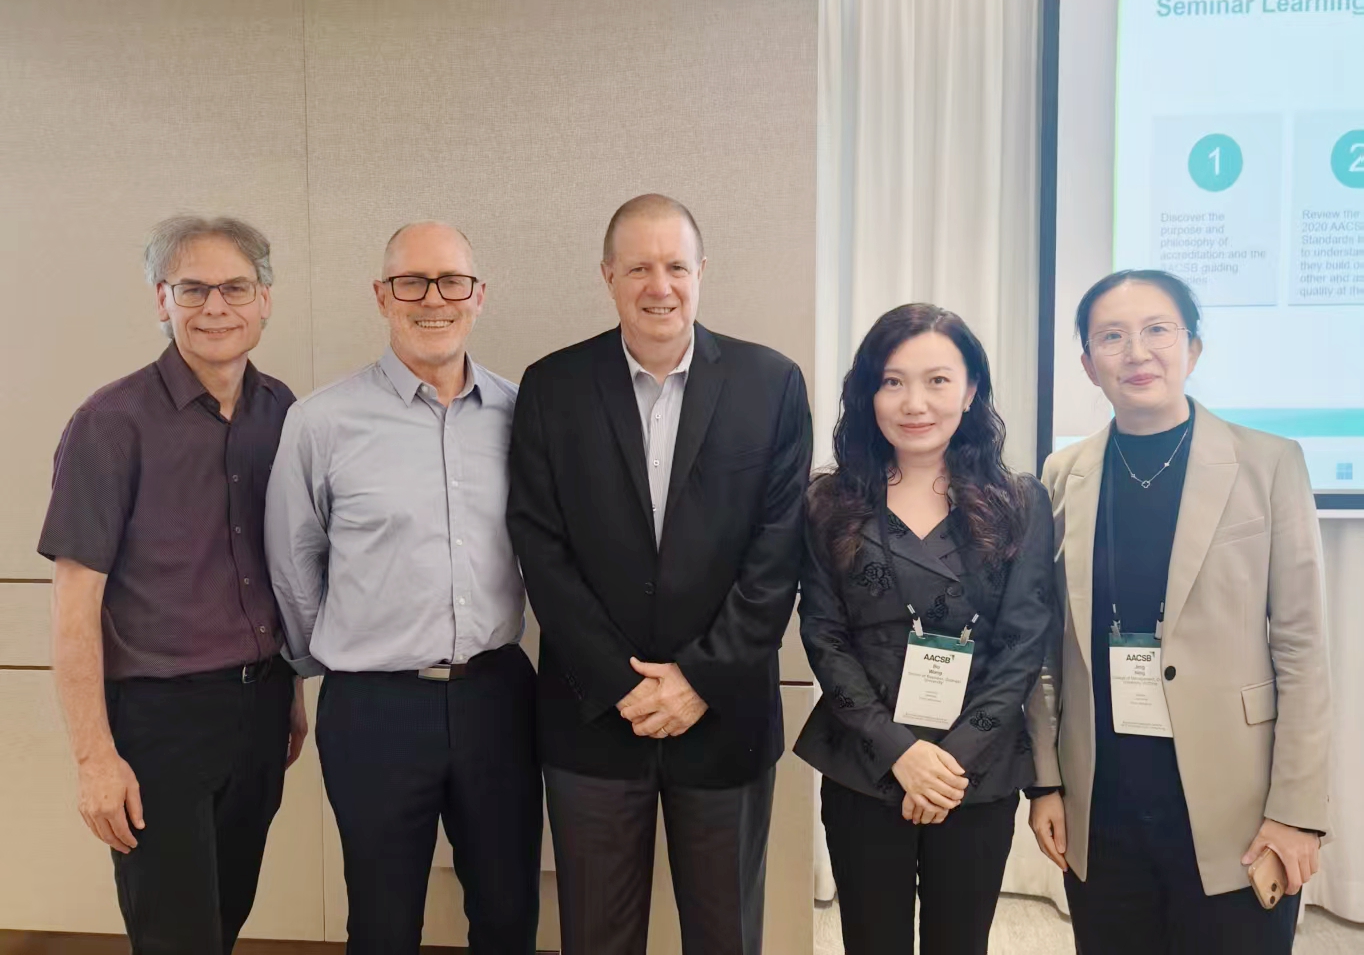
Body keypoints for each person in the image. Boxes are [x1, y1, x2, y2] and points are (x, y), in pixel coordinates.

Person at [505, 194, 812, 955]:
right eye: (638, 267)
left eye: (676, 265)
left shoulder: (770, 382)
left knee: (725, 936)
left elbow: (776, 555)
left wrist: (698, 680)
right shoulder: (551, 386)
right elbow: (540, 548)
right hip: (594, 717)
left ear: (702, 271)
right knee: (596, 938)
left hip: (725, 716)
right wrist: (624, 684)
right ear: (607, 275)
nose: (659, 286)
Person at [1026, 270, 1331, 954]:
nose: (1137, 352)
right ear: (1088, 364)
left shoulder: (1269, 463)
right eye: (1112, 337)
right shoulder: (1061, 475)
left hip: (1238, 808)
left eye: (1157, 330)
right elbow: (1044, 643)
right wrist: (1046, 782)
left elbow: (1303, 650)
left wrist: (1297, 812)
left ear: (1192, 347)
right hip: (1102, 802)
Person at [265, 223, 539, 954]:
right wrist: (340, 657)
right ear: (382, 296)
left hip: (498, 699)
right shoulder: (320, 422)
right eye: (410, 282)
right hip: (374, 709)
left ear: (478, 295)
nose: (433, 299)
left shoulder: (524, 415)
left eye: (452, 281)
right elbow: (293, 566)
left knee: (509, 914)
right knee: (382, 925)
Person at [37, 215, 305, 955]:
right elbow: (74, 607)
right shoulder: (109, 423)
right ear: (162, 299)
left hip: (260, 708)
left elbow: (281, 567)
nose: (216, 307)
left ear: (264, 299)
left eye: (235, 288)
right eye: (193, 289)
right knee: (175, 937)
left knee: (224, 920)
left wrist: (291, 693)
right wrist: (94, 759)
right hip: (159, 722)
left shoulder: (281, 411)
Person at [795, 303, 1058, 955]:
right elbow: (824, 636)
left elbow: (1023, 644)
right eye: (893, 381)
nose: (914, 403)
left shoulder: (1019, 501)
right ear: (868, 393)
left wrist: (949, 762)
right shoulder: (829, 501)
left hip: (976, 772)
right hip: (865, 763)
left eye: (937, 380)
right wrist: (901, 753)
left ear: (970, 391)